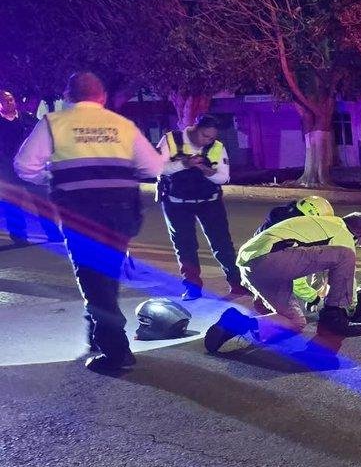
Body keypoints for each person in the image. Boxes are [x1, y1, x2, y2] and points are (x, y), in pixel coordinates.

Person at [12, 72, 165, 373]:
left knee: (93, 279)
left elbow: (24, 166)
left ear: (67, 95)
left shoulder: (54, 123)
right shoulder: (122, 124)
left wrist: (53, 177)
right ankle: (97, 335)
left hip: (80, 211)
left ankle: (116, 352)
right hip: (122, 211)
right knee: (106, 276)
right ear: (103, 96)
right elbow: (153, 166)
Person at [206, 211, 361, 360]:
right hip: (270, 259)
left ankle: (238, 322)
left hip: (251, 265)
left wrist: (314, 296)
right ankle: (334, 317)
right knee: (346, 255)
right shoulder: (342, 233)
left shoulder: (321, 225)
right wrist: (350, 309)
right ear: (358, 235)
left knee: (295, 322)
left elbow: (299, 268)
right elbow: (345, 276)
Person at [156, 114, 247, 300]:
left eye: (212, 137)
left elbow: (223, 177)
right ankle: (192, 288)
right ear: (195, 128)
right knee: (185, 246)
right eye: (205, 135)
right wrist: (185, 164)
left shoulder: (217, 147)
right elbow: (157, 168)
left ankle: (237, 284)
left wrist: (206, 170)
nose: (208, 141)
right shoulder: (171, 140)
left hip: (209, 202)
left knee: (222, 243)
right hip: (176, 203)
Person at [0, 90, 65, 246]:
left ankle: (53, 233)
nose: (8, 102)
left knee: (42, 202)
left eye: (10, 99)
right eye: (3, 100)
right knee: (14, 205)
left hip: (30, 168)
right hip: (8, 170)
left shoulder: (28, 119)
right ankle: (19, 236)